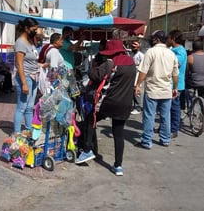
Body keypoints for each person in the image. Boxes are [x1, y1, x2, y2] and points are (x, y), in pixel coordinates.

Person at [75, 40, 136, 176]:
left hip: (109, 101)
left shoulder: (110, 63)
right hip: (125, 103)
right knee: (118, 134)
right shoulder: (131, 63)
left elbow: (94, 75)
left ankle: (86, 150)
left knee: (91, 119)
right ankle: (118, 166)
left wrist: (93, 66)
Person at [135, 30, 179, 148]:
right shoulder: (171, 54)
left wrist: (138, 85)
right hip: (166, 90)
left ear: (157, 39)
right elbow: (175, 74)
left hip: (152, 90)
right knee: (165, 116)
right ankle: (165, 139)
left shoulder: (151, 52)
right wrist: (175, 88)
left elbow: (143, 71)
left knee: (149, 116)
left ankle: (147, 141)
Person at [14, 17, 40, 136]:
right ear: (26, 28)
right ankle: (17, 134)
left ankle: (29, 131)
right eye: (34, 29)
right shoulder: (20, 42)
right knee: (22, 107)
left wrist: (43, 65)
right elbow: (19, 64)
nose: (36, 31)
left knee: (30, 107)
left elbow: (32, 61)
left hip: (34, 77)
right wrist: (24, 83)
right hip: (26, 78)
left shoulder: (30, 42)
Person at [187, 40, 204, 133]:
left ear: (193, 48)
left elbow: (187, 72)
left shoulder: (190, 57)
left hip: (195, 83)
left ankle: (188, 107)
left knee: (186, 89)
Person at [166, 30, 187, 139]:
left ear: (173, 38)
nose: (167, 40)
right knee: (166, 108)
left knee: (174, 108)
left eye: (168, 37)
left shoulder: (180, 51)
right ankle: (164, 127)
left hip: (176, 85)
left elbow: (175, 65)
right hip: (168, 84)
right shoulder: (172, 50)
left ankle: (174, 130)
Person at [130, 40, 144, 115]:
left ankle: (138, 107)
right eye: (132, 46)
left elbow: (143, 65)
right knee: (132, 90)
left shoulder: (141, 55)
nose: (133, 47)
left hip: (138, 74)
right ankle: (133, 105)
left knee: (137, 90)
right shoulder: (131, 54)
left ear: (138, 47)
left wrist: (136, 66)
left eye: (134, 46)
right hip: (132, 73)